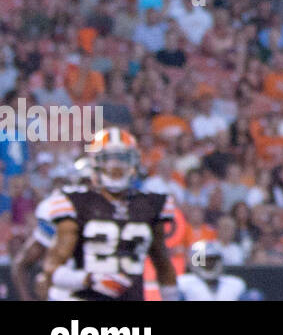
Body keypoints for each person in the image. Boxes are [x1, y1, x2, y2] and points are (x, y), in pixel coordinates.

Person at [35, 129, 179, 301]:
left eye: (122, 158)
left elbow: (163, 264)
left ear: (133, 162)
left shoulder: (150, 205)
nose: (116, 166)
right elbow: (51, 268)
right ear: (95, 162)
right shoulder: (76, 203)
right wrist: (89, 279)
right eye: (109, 158)